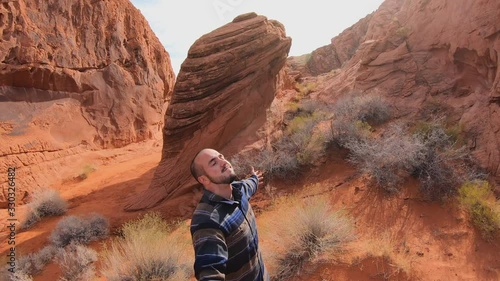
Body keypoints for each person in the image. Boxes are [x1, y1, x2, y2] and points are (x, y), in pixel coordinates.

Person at [189, 148, 269, 281]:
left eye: (221, 156)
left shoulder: (239, 190)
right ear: (204, 179)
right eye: (214, 163)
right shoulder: (207, 221)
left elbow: (249, 186)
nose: (223, 162)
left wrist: (254, 178)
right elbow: (210, 273)